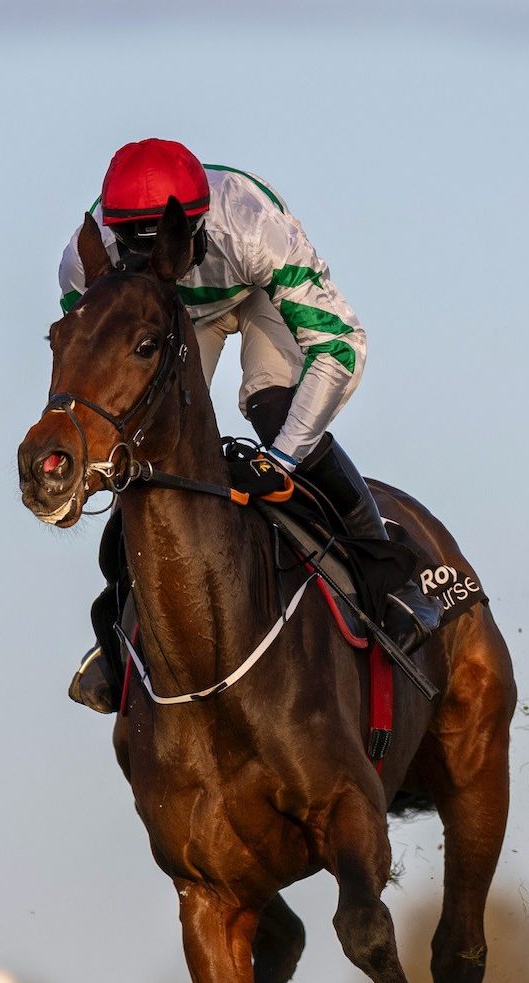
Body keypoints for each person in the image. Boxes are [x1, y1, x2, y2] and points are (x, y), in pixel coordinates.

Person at [56, 138, 440, 713]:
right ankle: (114, 626)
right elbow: (87, 367)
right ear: (109, 231)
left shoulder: (253, 229)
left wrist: (280, 458)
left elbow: (339, 343)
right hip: (165, 317)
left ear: (197, 226)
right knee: (142, 452)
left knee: (272, 408)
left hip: (257, 292)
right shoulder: (81, 260)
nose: (147, 259)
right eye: (130, 249)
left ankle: (388, 575)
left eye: (161, 245)